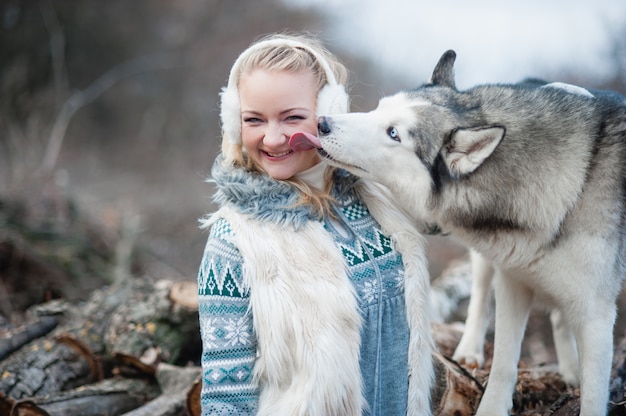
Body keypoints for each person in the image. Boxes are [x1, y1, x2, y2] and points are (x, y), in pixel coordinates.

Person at [197, 32, 434, 416]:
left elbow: (463, 214)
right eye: (254, 120)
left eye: (292, 117)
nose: (273, 138)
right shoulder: (235, 242)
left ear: (328, 111)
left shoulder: (379, 200)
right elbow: (226, 398)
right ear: (233, 122)